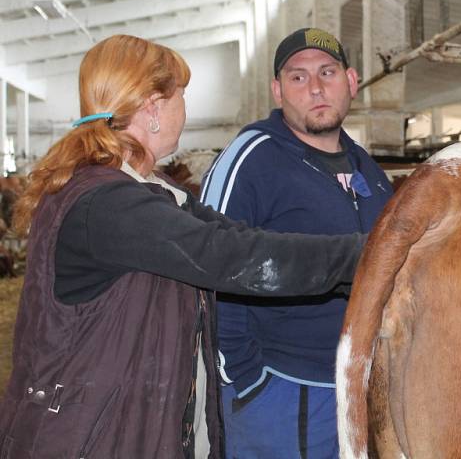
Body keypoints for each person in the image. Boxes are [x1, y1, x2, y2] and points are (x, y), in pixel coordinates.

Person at [0, 34, 368, 459]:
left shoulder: (155, 191)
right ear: (154, 107)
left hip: (128, 426)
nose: (184, 109)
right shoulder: (106, 205)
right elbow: (238, 258)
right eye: (180, 96)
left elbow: (245, 240)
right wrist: (372, 253)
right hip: (88, 438)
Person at [201, 27, 392, 459]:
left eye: (327, 72)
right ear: (277, 89)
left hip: (361, 390)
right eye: (298, 77)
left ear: (352, 81)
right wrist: (246, 379)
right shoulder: (251, 159)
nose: (317, 88)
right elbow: (208, 263)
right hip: (282, 392)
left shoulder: (370, 171)